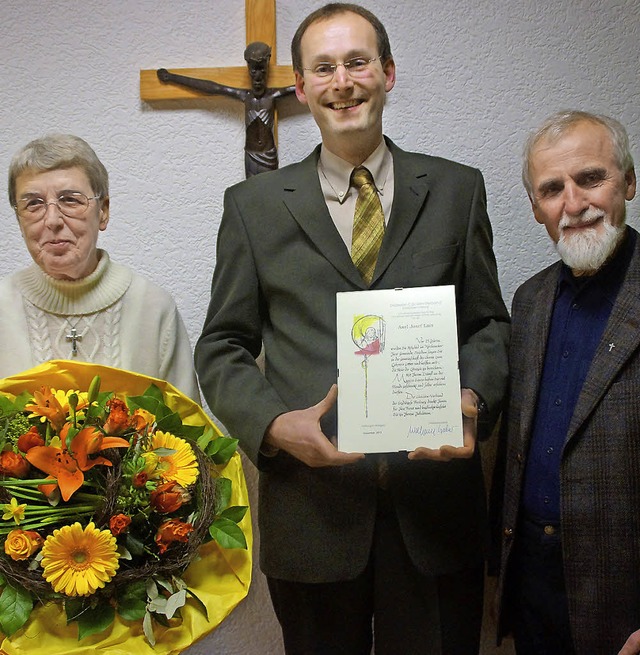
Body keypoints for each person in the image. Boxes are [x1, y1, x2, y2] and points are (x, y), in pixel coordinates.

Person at [195, 3, 509, 653]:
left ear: (388, 74)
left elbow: (487, 325)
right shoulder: (251, 208)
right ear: (303, 87)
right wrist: (276, 427)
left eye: (358, 62)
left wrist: (472, 403)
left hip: (435, 514)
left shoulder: (458, 190)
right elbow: (222, 345)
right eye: (324, 67)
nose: (344, 81)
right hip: (312, 514)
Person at [493, 110, 640, 654]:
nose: (574, 205)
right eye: (552, 189)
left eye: (592, 179)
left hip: (623, 598)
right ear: (536, 209)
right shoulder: (529, 302)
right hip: (533, 580)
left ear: (628, 181)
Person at [1, 133, 199, 400]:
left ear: (103, 211)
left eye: (70, 200)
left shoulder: (153, 307)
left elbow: (188, 433)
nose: (52, 220)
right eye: (33, 204)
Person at [157, 42, 295, 177]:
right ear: (248, 70)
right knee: (250, 196)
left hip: (269, 155)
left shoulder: (272, 95)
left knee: (272, 195)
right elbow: (213, 88)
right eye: (253, 71)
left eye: (262, 70)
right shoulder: (245, 96)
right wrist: (172, 77)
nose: (258, 77)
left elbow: (299, 88)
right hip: (251, 156)